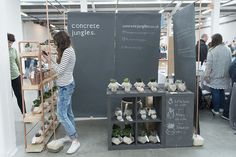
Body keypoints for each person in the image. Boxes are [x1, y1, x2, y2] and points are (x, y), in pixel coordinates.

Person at [45, 31, 80, 154]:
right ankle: (70, 136)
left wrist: (49, 61)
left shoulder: (68, 52)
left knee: (61, 114)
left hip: (66, 86)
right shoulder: (68, 50)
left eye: (56, 43)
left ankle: (75, 140)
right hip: (65, 85)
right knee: (68, 113)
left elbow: (59, 71)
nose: (55, 45)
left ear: (61, 42)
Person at [204, 33, 232, 115]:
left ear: (214, 40)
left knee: (215, 92)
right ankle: (221, 108)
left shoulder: (212, 51)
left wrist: (206, 76)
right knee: (221, 92)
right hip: (225, 75)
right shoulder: (228, 49)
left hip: (215, 75)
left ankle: (215, 109)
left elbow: (209, 65)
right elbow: (230, 62)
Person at [8, 33, 26, 114]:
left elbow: (17, 62)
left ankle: (24, 113)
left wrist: (21, 72)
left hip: (15, 75)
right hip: (5, 78)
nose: (10, 44)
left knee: (19, 95)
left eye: (11, 42)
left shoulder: (13, 50)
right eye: (8, 42)